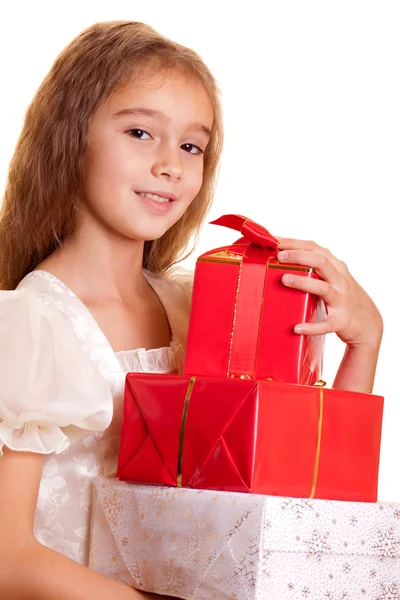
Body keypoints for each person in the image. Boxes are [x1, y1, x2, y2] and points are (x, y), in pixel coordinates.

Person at [0, 20, 383, 600]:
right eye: (139, 132)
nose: (170, 166)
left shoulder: (195, 309)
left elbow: (304, 489)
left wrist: (365, 343)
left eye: (190, 146)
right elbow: (8, 558)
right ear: (69, 136)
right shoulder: (32, 324)